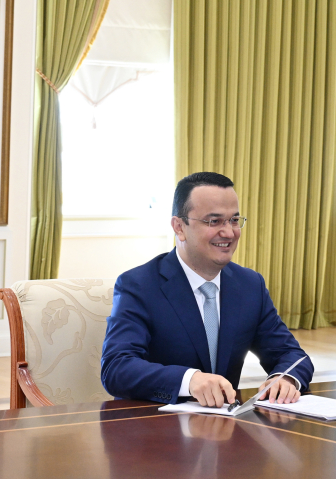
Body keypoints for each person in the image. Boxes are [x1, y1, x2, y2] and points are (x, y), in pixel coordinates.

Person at [101, 172, 313, 407]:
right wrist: (189, 379)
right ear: (179, 227)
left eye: (234, 220)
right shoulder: (139, 285)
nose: (229, 232)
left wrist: (285, 378)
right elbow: (116, 368)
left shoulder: (250, 285)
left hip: (226, 424)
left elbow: (292, 355)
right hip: (155, 421)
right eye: (214, 221)